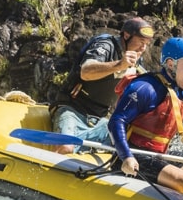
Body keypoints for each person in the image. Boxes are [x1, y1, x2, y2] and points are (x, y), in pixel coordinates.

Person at [108, 37, 183, 194]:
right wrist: (126, 156)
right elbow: (116, 121)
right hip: (135, 156)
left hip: (158, 156)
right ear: (171, 64)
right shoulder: (145, 88)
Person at [49, 17, 154, 154]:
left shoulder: (137, 60)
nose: (143, 48)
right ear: (126, 35)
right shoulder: (105, 45)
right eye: (141, 41)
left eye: (146, 43)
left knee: (129, 148)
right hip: (72, 110)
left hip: (101, 119)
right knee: (66, 147)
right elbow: (86, 72)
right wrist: (119, 65)